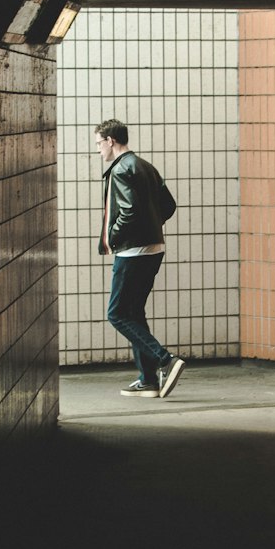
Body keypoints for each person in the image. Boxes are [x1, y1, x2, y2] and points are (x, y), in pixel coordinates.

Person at [95, 118, 185, 399]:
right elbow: (167, 205)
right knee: (134, 312)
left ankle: (165, 360)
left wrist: (114, 237)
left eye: (99, 143)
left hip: (132, 251)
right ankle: (148, 380)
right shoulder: (146, 166)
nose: (99, 150)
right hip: (154, 248)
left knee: (117, 313)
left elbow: (129, 211)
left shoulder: (122, 169)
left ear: (111, 140)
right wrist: (151, 226)